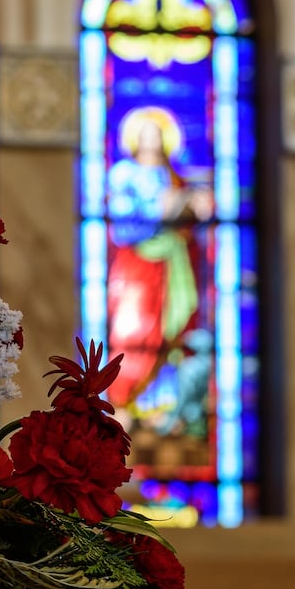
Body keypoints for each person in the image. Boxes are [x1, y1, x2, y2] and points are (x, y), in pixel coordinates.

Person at [104, 107, 213, 408]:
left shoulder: (171, 175)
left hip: (169, 265)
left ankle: (165, 405)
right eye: (146, 134)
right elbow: (122, 226)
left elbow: (186, 223)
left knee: (169, 334)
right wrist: (162, 209)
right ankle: (122, 402)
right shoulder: (123, 174)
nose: (151, 140)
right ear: (135, 138)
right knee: (134, 332)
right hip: (137, 267)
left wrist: (191, 205)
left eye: (157, 134)